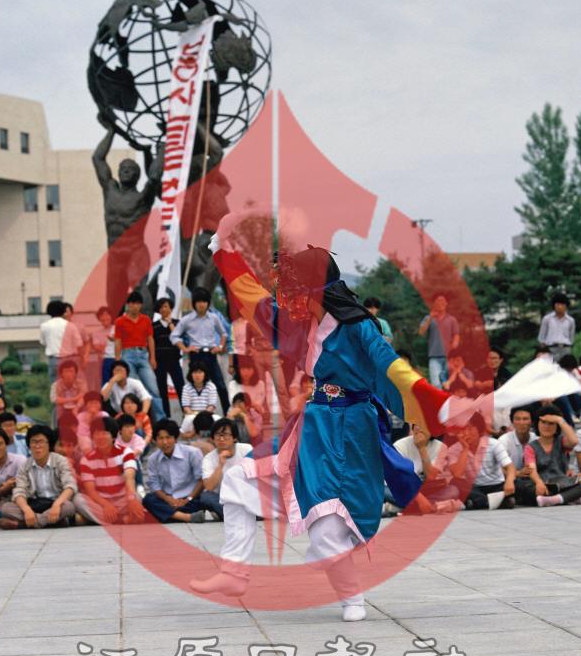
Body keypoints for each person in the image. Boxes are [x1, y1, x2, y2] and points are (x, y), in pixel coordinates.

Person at [192, 239, 462, 622]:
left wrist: (438, 404)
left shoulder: (359, 328)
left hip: (351, 429)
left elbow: (392, 369)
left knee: (328, 527)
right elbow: (252, 298)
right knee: (237, 481)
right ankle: (234, 572)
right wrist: (227, 256)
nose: (287, 297)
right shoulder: (299, 325)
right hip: (313, 424)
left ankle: (353, 597)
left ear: (316, 289)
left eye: (295, 288)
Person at [0, 425, 78, 528]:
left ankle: (25, 524)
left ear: (49, 444)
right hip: (34, 504)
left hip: (56, 503)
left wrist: (57, 505)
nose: (37, 446)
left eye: (41, 442)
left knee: (69, 507)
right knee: (6, 508)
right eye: (33, 442)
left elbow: (70, 486)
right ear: (29, 445)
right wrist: (26, 510)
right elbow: (19, 491)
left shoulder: (61, 461)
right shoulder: (25, 465)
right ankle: (51, 521)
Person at [142, 419, 220, 523]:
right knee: (148, 499)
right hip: (168, 500)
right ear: (155, 440)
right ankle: (187, 517)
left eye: (168, 437)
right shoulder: (153, 459)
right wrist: (168, 499)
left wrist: (188, 499)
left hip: (191, 499)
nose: (165, 442)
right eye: (160, 438)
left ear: (175, 438)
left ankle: (171, 515)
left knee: (205, 499)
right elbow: (154, 484)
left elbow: (201, 480)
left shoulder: (192, 453)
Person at [523, 405, 581, 507]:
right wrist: (538, 482)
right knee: (527, 490)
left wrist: (559, 419)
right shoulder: (530, 447)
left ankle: (555, 500)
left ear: (557, 426)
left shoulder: (561, 442)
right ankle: (570, 497)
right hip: (545, 485)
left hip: (563, 483)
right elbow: (531, 469)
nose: (546, 426)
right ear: (537, 424)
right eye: (543, 422)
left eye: (551, 423)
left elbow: (574, 441)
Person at [74, 417, 145, 525]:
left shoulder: (126, 452)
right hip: (100, 502)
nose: (100, 437)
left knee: (137, 497)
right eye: (97, 433)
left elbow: (129, 478)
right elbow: (91, 491)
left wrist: (131, 499)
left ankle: (97, 519)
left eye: (105, 433)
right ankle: (123, 520)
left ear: (113, 436)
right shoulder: (86, 460)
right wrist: (106, 505)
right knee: (78, 500)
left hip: (123, 499)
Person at [171, 287, 230, 413]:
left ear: (208, 303)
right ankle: (191, 416)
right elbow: (174, 336)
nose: (201, 304)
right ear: (194, 303)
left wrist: (220, 347)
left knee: (220, 385)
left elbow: (224, 333)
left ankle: (228, 414)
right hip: (196, 356)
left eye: (204, 301)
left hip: (210, 355)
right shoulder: (187, 319)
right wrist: (185, 349)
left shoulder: (214, 317)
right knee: (195, 387)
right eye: (198, 302)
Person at [113, 291, 164, 421]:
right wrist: (118, 359)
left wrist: (152, 357)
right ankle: (131, 419)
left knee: (153, 387)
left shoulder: (146, 319)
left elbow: (150, 339)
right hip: (127, 354)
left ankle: (160, 420)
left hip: (143, 354)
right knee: (132, 389)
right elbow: (118, 340)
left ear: (140, 305)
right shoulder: (120, 321)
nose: (135, 306)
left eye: (138, 304)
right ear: (128, 305)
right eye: (132, 303)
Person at [464, 417, 517, 510]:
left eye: (470, 428)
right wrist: (464, 449)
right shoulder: (456, 448)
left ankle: (479, 503)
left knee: (518, 484)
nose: (466, 432)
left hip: (496, 486)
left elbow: (510, 467)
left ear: (479, 429)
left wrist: (509, 482)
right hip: (475, 487)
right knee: (457, 488)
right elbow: (455, 474)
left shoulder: (493, 444)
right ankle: (498, 502)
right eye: (464, 429)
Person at [202, 417, 253, 499]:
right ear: (212, 438)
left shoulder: (246, 449)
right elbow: (209, 487)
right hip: (221, 497)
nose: (221, 439)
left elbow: (254, 475)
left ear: (235, 438)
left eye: (225, 435)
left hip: (244, 493)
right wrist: (220, 465)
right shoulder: (208, 458)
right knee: (206, 497)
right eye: (218, 435)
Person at [418, 292, 460, 389]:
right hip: (434, 357)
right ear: (434, 304)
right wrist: (430, 318)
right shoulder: (428, 318)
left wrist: (454, 346)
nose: (440, 303)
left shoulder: (452, 319)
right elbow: (421, 332)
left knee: (449, 384)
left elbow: (456, 335)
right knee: (436, 384)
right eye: (437, 301)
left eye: (442, 301)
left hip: (449, 357)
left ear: (446, 303)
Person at [497, 406, 538, 505]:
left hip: (531, 479)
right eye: (517, 419)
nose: (521, 423)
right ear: (512, 422)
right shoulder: (504, 440)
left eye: (525, 419)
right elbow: (497, 469)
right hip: (510, 481)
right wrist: (518, 473)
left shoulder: (536, 439)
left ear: (531, 421)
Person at [152, 297, 184, 418]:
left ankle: (186, 415)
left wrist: (170, 323)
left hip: (174, 360)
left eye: (166, 306)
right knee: (162, 390)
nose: (164, 309)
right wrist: (153, 359)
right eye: (161, 307)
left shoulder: (178, 323)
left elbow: (177, 338)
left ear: (171, 308)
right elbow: (152, 344)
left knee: (181, 387)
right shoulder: (154, 326)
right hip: (159, 361)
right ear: (158, 310)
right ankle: (166, 417)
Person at [39, 299, 82, 383]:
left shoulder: (44, 326)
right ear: (63, 311)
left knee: (55, 387)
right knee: (71, 386)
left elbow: (43, 342)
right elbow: (79, 344)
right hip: (69, 359)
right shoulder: (71, 325)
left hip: (53, 359)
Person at [227, 355, 267, 420]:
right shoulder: (232, 384)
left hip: (253, 413)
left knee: (257, 411)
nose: (246, 372)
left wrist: (245, 405)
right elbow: (233, 402)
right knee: (235, 411)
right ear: (238, 370)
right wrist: (248, 406)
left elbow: (258, 404)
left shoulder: (260, 384)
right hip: (237, 414)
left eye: (249, 369)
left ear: (254, 370)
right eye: (243, 369)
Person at [537, 292, 575, 360]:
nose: (560, 306)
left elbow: (571, 337)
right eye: (558, 304)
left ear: (566, 306)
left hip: (565, 349)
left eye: (562, 304)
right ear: (554, 305)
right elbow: (542, 338)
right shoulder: (547, 319)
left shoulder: (570, 320)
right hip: (551, 348)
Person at [181, 360, 219, 425]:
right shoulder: (186, 387)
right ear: (191, 374)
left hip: (207, 415)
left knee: (218, 418)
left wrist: (203, 417)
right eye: (195, 372)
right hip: (191, 415)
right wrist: (194, 415)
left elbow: (212, 405)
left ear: (205, 374)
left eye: (200, 372)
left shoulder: (211, 386)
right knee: (188, 419)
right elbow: (186, 406)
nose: (197, 375)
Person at [50, 359, 88, 423]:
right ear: (61, 374)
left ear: (75, 373)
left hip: (78, 407)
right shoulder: (56, 385)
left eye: (71, 371)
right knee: (56, 411)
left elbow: (84, 397)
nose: (68, 374)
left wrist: (76, 408)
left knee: (85, 410)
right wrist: (74, 398)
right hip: (62, 408)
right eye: (66, 371)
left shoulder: (82, 383)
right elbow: (54, 399)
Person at [89, 305, 117, 387]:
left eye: (107, 314)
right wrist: (112, 342)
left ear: (111, 316)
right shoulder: (96, 333)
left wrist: (105, 344)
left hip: (118, 359)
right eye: (102, 315)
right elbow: (98, 348)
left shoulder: (117, 328)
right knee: (105, 384)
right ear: (99, 318)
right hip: (103, 361)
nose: (105, 317)